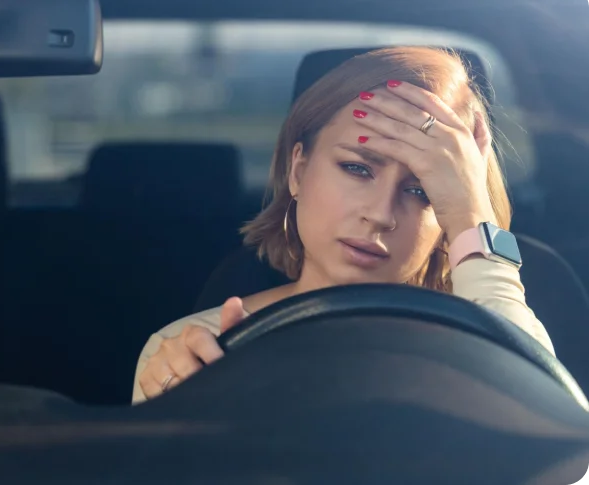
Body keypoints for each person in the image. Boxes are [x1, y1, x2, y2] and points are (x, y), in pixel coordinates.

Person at [132, 46, 555, 404]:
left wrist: (473, 217)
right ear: (298, 170)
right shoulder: (189, 351)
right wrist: (185, 413)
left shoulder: (477, 354)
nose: (381, 214)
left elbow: (544, 415)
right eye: (357, 168)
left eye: (422, 191)